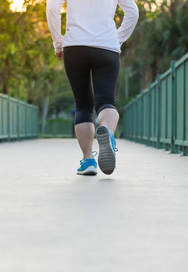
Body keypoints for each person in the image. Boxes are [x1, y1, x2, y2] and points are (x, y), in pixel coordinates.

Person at [46, 0, 139, 176]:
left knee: (82, 105)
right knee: (106, 102)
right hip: (107, 48)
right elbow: (133, 13)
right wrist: (116, 40)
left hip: (74, 47)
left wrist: (58, 42)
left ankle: (88, 160)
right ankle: (108, 134)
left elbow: (52, 8)